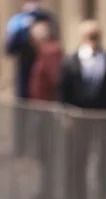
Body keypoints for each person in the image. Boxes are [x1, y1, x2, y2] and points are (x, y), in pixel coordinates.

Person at [59, 20, 106, 199]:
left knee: (105, 161)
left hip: (104, 118)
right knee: (79, 160)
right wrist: (66, 114)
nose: (93, 40)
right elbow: (63, 91)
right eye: (90, 36)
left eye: (96, 36)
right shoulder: (71, 62)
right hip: (79, 119)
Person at [4, 1, 56, 157]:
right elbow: (9, 48)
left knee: (44, 114)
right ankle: (24, 148)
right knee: (25, 113)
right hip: (26, 78)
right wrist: (25, 29)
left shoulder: (46, 18)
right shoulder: (19, 21)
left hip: (44, 80)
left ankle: (45, 147)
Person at [27, 20, 63, 199]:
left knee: (50, 155)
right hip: (42, 113)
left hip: (48, 114)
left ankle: (51, 193)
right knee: (44, 156)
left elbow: (56, 80)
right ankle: (46, 191)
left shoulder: (51, 53)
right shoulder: (43, 53)